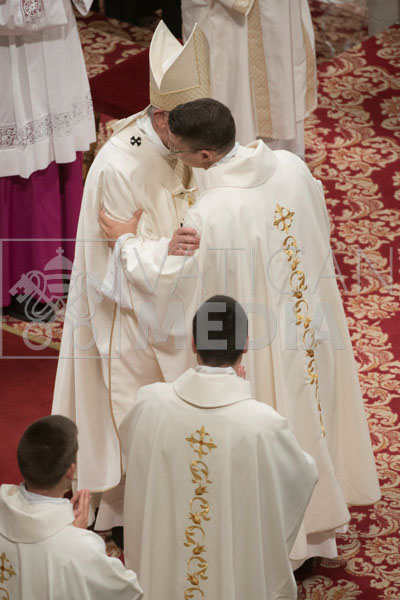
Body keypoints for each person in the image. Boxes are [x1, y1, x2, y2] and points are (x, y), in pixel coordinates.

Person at [100, 98, 381, 567]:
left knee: (278, 413)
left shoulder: (212, 212)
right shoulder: (291, 166)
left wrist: (126, 243)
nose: (176, 158)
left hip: (264, 340)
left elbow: (173, 283)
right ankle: (316, 535)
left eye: (179, 152)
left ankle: (285, 550)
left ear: (204, 155)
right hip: (308, 321)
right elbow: (320, 223)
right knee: (311, 413)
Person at [52, 21, 209, 533]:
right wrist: (170, 253)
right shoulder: (121, 164)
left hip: (176, 289)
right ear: (160, 117)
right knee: (137, 406)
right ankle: (131, 510)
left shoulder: (181, 137)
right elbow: (115, 264)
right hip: (131, 312)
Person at [120, 295, 318, 600]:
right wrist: (244, 396)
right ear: (246, 345)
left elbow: (134, 449)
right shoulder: (262, 424)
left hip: (164, 563)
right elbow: (302, 476)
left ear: (193, 344)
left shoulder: (150, 402)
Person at [0, 0, 96, 319]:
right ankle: (19, 280)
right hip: (8, 54)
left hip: (55, 46)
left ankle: (59, 269)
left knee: (55, 141)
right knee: (19, 151)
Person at [0, 415, 143, 600]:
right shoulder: (81, 547)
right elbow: (129, 591)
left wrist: (68, 529)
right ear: (70, 470)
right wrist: (78, 536)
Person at [181, 0, 317, 158]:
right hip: (226, 15)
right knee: (230, 77)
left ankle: (278, 158)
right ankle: (230, 156)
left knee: (278, 62)